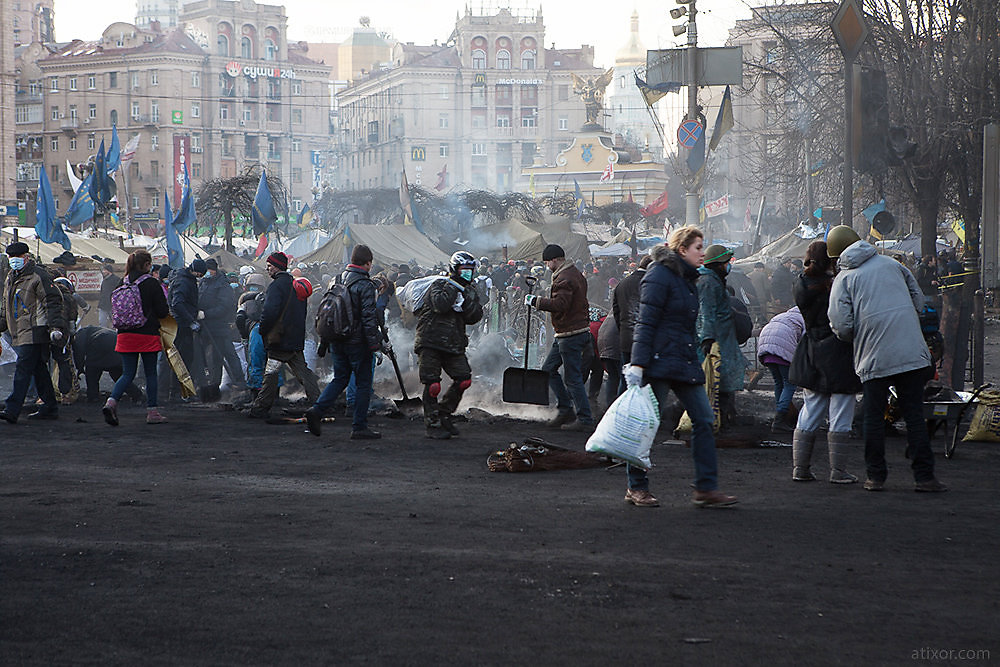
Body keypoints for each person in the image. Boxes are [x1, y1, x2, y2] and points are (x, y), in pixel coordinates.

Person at [826, 225, 946, 492]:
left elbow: (841, 324)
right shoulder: (893, 265)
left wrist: (857, 336)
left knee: (873, 416)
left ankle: (876, 476)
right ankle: (925, 477)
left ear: (835, 255)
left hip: (873, 354)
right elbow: (918, 300)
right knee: (914, 414)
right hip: (911, 350)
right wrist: (906, 323)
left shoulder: (844, 279)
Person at [625, 226, 737, 508]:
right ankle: (636, 486)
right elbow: (646, 321)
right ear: (682, 249)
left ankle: (705, 488)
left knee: (704, 418)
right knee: (648, 424)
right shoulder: (659, 275)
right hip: (659, 361)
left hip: (683, 360)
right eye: (698, 247)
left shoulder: (687, 280)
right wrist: (638, 364)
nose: (703, 253)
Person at [788, 240, 862, 483]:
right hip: (838, 351)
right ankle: (838, 471)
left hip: (811, 350)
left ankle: (800, 468)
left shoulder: (800, 284)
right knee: (841, 409)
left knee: (811, 408)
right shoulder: (834, 286)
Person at [304, 244, 385, 440]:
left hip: (337, 339)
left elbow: (326, 313)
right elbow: (368, 318)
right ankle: (359, 426)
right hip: (357, 343)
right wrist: (375, 345)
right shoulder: (365, 285)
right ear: (367, 263)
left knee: (340, 379)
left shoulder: (337, 279)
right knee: (364, 383)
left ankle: (317, 410)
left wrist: (324, 343)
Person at [526, 244, 594, 431]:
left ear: (554, 260)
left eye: (547, 262)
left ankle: (585, 419)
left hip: (570, 334)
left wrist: (536, 301)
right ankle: (565, 409)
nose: (547, 265)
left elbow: (561, 304)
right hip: (568, 332)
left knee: (572, 378)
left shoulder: (564, 277)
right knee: (548, 369)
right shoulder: (575, 273)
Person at [415, 251, 483, 439]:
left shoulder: (470, 290)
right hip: (430, 341)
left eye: (470, 270)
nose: (468, 273)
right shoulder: (439, 284)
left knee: (464, 379)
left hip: (453, 344)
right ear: (455, 269)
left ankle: (444, 413)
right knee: (433, 385)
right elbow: (440, 305)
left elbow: (475, 316)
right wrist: (454, 287)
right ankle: (432, 423)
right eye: (464, 269)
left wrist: (466, 301)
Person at [0, 242, 67, 423]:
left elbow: (52, 301)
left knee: (23, 369)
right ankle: (50, 407)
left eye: (17, 258)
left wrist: (55, 327)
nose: (14, 262)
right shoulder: (11, 278)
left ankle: (12, 409)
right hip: (21, 331)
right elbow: (6, 308)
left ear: (26, 257)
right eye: (11, 258)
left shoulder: (38, 276)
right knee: (39, 370)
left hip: (35, 330)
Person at [101, 250, 170, 426]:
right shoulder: (152, 284)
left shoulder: (120, 282)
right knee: (150, 373)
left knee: (127, 373)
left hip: (125, 334)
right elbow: (162, 311)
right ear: (147, 265)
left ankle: (111, 402)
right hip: (147, 334)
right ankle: (152, 412)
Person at [248, 252, 320, 419]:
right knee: (303, 373)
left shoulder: (276, 286)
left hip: (279, 339)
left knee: (271, 374)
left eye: (269, 266)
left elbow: (270, 312)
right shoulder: (295, 285)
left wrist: (263, 330)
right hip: (294, 338)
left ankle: (260, 408)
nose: (268, 269)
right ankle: (319, 403)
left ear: (277, 266)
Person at [696, 244, 748, 429]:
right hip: (716, 342)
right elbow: (707, 312)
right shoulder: (708, 283)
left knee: (721, 383)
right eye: (726, 262)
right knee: (716, 383)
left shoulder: (713, 281)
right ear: (718, 264)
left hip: (722, 339)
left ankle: (724, 418)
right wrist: (708, 339)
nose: (728, 266)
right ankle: (717, 421)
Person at [198, 258, 246, 398]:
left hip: (219, 327)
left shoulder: (222, 285)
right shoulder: (204, 282)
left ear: (213, 270)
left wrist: (207, 313)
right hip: (206, 327)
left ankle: (240, 383)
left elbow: (225, 306)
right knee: (214, 359)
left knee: (229, 354)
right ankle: (214, 388)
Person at [158, 259, 205, 402]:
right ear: (195, 271)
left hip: (178, 324)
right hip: (181, 326)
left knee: (178, 359)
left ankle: (174, 393)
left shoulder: (182, 279)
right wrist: (191, 321)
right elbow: (177, 303)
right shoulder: (184, 282)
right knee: (182, 359)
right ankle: (178, 393)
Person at [756, 306, 805, 433]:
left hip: (765, 346)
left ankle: (781, 415)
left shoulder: (784, 315)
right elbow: (805, 342)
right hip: (781, 346)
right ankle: (780, 419)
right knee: (789, 383)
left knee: (779, 383)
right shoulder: (804, 318)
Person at [97, 263, 122, 328]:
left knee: (115, 324)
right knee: (102, 323)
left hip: (113, 306)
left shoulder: (116, 280)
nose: (103, 272)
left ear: (109, 271)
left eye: (105, 270)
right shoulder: (104, 280)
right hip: (103, 305)